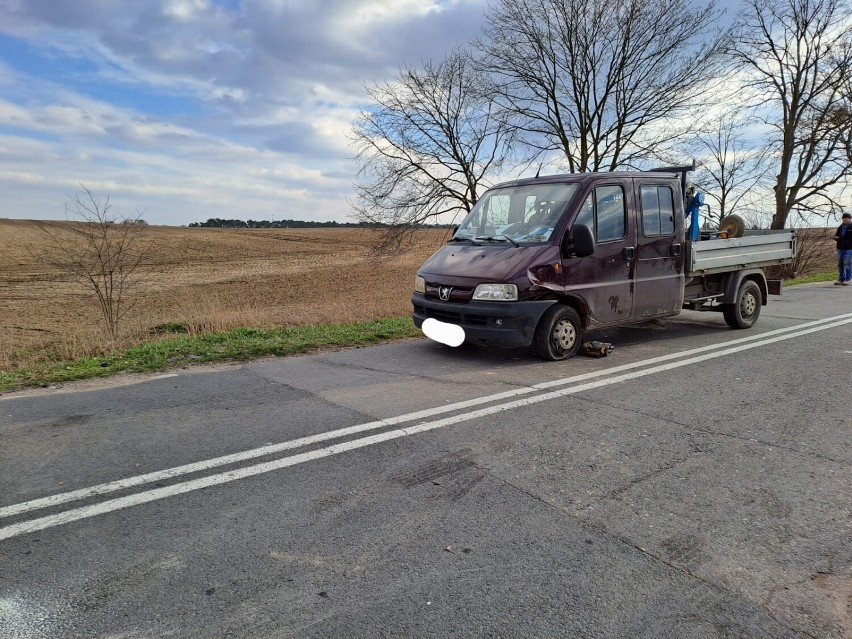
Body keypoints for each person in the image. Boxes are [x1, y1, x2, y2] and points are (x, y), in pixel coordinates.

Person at [834, 212, 852, 285]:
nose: (844, 219)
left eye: (846, 218)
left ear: (850, 219)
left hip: (849, 248)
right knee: (840, 264)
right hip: (840, 247)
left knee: (847, 263)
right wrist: (836, 238)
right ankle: (841, 279)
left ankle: (848, 279)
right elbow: (837, 235)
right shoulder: (841, 227)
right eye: (843, 218)